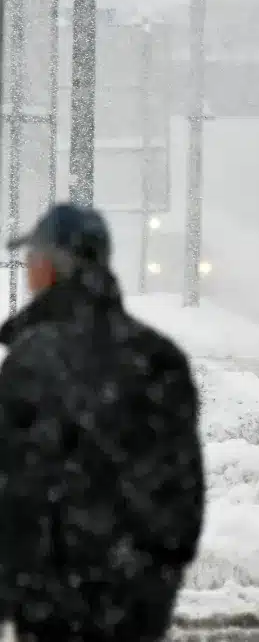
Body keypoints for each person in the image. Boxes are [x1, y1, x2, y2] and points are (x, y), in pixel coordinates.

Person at [0, 203, 205, 642]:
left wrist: (21, 592)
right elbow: (184, 494)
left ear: (53, 268)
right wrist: (156, 581)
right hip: (138, 609)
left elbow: (16, 491)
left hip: (52, 610)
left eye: (32, 261)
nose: (28, 273)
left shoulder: (32, 362)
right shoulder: (158, 358)